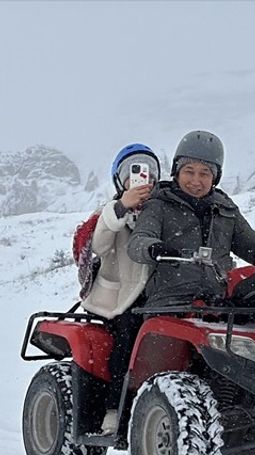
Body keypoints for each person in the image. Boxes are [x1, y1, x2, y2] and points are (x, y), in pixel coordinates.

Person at [128, 130, 255, 309]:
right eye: (189, 171)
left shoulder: (225, 209)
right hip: (168, 302)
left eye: (205, 173)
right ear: (176, 172)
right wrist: (153, 247)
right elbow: (137, 242)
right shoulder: (158, 204)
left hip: (219, 303)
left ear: (215, 177)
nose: (196, 180)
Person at [82, 143, 162, 433]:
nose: (143, 179)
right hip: (117, 300)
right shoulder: (111, 213)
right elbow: (99, 244)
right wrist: (122, 206)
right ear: (120, 179)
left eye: (149, 172)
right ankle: (113, 410)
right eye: (134, 172)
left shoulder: (161, 210)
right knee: (126, 341)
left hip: (155, 299)